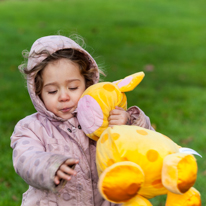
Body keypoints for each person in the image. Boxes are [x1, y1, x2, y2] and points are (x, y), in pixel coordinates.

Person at [10, 35, 154, 206]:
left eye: (72, 88)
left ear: (86, 83)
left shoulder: (103, 117)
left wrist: (128, 122)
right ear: (38, 93)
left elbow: (147, 142)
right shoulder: (31, 128)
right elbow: (25, 158)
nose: (64, 96)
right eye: (52, 91)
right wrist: (49, 166)